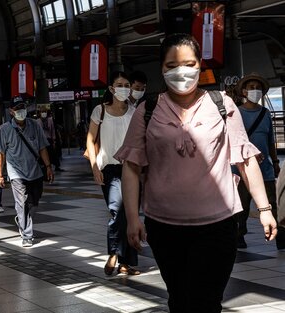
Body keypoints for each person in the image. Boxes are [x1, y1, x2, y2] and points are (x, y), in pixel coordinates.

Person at [115, 33, 278, 313]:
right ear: (161, 69)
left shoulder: (222, 105)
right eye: (171, 66)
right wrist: (131, 218)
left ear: (200, 65)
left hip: (217, 224)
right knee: (179, 299)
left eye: (188, 64)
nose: (181, 72)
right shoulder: (148, 109)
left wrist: (264, 208)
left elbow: (245, 159)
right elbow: (131, 166)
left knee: (206, 301)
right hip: (164, 225)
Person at [86, 71, 140, 276]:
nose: (124, 88)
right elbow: (90, 140)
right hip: (109, 168)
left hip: (132, 168)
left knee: (130, 214)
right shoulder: (100, 111)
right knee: (117, 210)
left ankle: (127, 263)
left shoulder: (134, 111)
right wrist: (94, 167)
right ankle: (114, 253)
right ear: (111, 88)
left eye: (127, 85)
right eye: (120, 84)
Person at [232, 73, 285, 249]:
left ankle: (281, 237)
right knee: (243, 205)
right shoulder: (236, 113)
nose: (255, 91)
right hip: (242, 168)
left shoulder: (266, 113)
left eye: (258, 88)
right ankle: (239, 235)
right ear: (244, 92)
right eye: (251, 87)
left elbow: (270, 140)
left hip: (266, 168)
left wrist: (275, 162)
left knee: (273, 204)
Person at [0, 97, 54, 247]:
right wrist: (0, 175)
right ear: (11, 111)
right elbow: (1, 154)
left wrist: (48, 167)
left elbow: (42, 148)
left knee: (34, 202)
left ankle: (22, 219)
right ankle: (27, 235)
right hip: (16, 172)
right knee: (21, 203)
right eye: (17, 108)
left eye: (22, 107)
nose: (21, 111)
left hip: (35, 171)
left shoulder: (35, 125)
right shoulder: (4, 129)